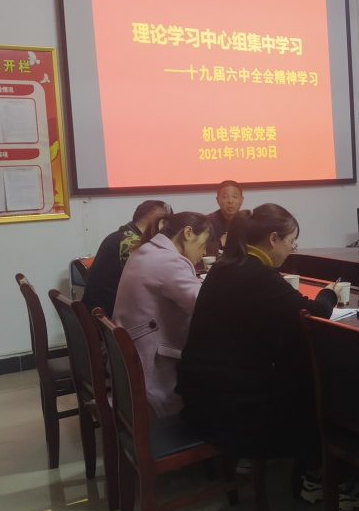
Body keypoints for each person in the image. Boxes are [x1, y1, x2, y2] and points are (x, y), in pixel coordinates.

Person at [177, 204, 338, 462]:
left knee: (294, 366)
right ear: (273, 239)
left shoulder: (226, 265)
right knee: (312, 386)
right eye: (291, 242)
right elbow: (314, 312)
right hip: (226, 403)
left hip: (202, 390)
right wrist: (330, 294)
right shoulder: (255, 274)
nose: (291, 249)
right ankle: (314, 469)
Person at [112, 211, 211, 418]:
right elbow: (204, 306)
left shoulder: (146, 250)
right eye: (203, 244)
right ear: (188, 233)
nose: (203, 253)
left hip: (129, 359)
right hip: (151, 371)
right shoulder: (169, 261)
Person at [81, 200, 172, 318]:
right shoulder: (132, 243)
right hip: (106, 319)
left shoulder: (119, 236)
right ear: (156, 216)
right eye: (165, 223)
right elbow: (157, 280)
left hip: (96, 314)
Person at [206, 180, 244, 250]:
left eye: (235, 196)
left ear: (242, 200)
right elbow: (199, 249)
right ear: (218, 200)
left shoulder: (249, 221)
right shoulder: (206, 222)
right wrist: (220, 243)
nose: (230, 201)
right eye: (225, 197)